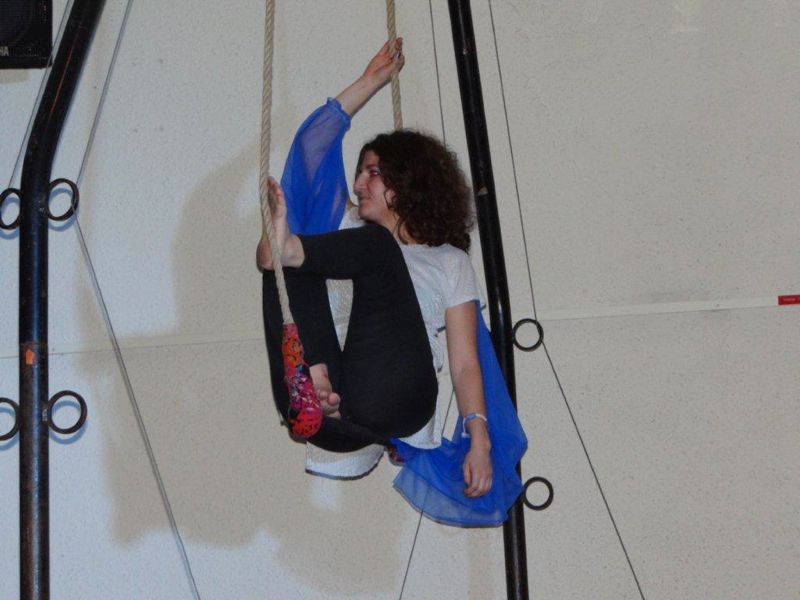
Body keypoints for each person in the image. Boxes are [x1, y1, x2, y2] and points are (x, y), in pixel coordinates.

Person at [259, 41, 526, 520]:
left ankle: (291, 260)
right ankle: (314, 378)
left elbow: (465, 363)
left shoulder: (447, 261)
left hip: (398, 393)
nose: (358, 184)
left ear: (407, 183)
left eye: (373, 173)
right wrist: (369, 82)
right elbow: (311, 148)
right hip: (335, 413)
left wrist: (479, 439)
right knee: (291, 262)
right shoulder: (344, 229)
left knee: (361, 248)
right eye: (359, 173)